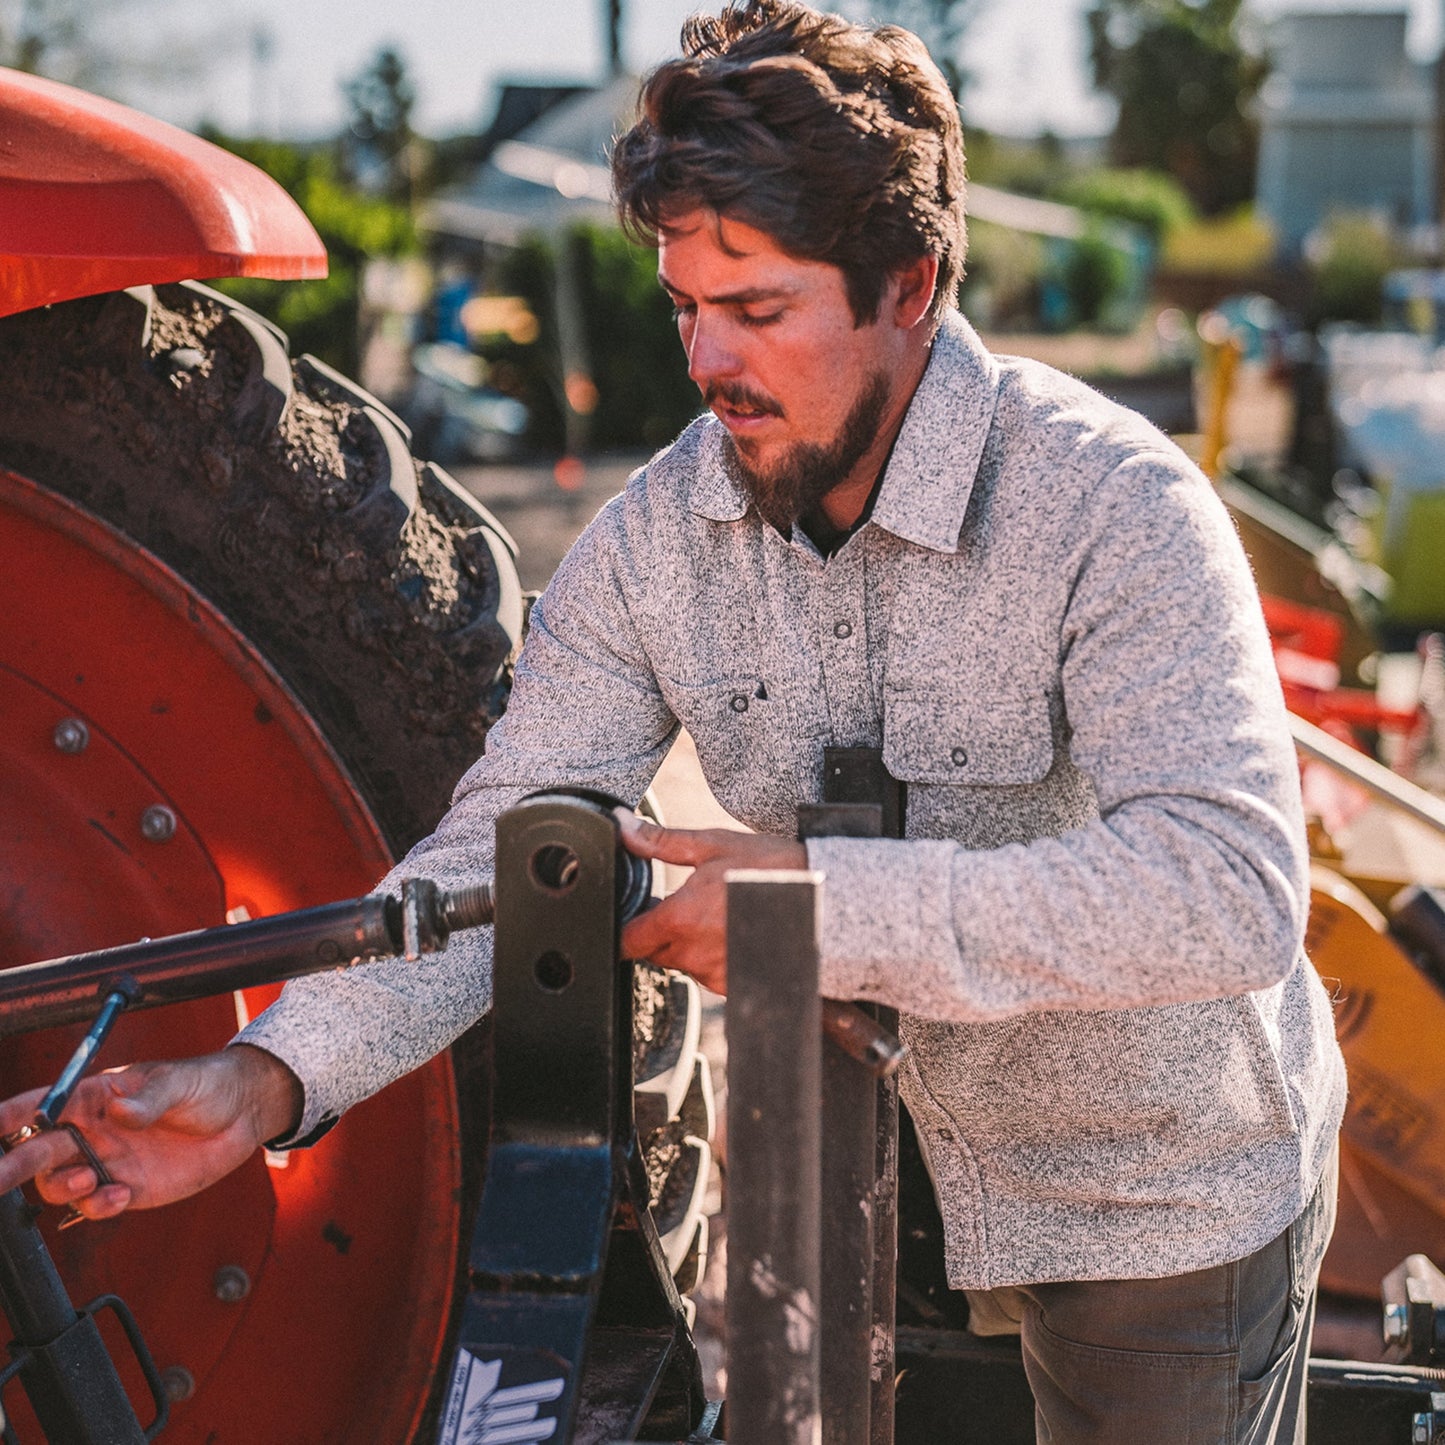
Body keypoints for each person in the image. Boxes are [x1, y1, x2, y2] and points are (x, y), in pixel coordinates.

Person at [0, 4, 1344, 1440]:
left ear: (912, 285)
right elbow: (487, 866)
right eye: (684, 307)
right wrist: (259, 1081)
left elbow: (1227, 892)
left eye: (757, 310)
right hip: (847, 1176)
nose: (708, 364)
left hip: (1148, 1191)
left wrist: (823, 911)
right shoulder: (661, 537)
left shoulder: (1110, 509)